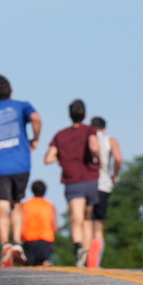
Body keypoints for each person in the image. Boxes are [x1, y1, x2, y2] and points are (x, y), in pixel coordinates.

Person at [0, 75, 41, 268]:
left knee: (1, 206)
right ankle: (17, 243)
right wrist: (35, 138)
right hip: (20, 164)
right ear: (11, 89)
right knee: (17, 203)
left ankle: (5, 244)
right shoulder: (22, 106)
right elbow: (36, 118)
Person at [43, 100, 100, 268]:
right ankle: (88, 251)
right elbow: (94, 146)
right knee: (87, 219)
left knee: (76, 217)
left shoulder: (61, 135)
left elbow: (48, 158)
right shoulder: (90, 130)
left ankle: (79, 248)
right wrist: (98, 159)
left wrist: (63, 158)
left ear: (69, 115)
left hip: (72, 181)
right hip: (90, 178)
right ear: (85, 114)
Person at [87, 116, 123, 269]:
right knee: (99, 223)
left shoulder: (88, 139)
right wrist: (114, 175)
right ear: (104, 129)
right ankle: (96, 259)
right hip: (104, 184)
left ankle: (85, 252)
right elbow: (119, 158)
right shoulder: (111, 141)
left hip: (88, 182)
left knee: (86, 220)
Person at [20, 180, 58, 267]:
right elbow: (55, 226)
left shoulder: (25, 205)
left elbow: (20, 224)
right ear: (45, 191)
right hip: (46, 241)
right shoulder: (50, 206)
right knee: (45, 263)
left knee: (28, 265)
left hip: (29, 241)